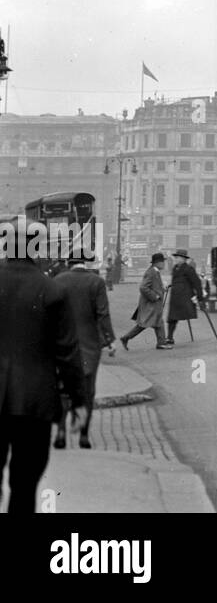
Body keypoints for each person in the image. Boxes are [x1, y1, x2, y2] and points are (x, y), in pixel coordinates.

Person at [0, 218, 88, 513]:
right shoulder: (51, 290)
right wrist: (79, 400)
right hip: (35, 403)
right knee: (24, 486)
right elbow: (68, 352)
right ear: (36, 249)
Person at [49, 259, 115, 450]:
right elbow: (103, 314)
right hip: (89, 346)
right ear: (87, 262)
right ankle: (83, 436)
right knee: (87, 391)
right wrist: (110, 340)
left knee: (62, 391)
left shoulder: (58, 280)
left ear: (69, 262)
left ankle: (61, 432)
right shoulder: (96, 282)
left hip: (62, 345)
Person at [121, 252, 172, 349]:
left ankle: (161, 343)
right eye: (162, 262)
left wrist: (162, 289)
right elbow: (143, 287)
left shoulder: (155, 271)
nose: (164, 264)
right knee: (144, 324)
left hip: (153, 305)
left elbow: (154, 286)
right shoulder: (151, 272)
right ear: (157, 263)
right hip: (150, 305)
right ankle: (126, 338)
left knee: (158, 322)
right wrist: (155, 296)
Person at [165, 249, 204, 345]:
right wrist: (171, 285)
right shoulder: (175, 268)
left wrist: (200, 297)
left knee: (175, 316)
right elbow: (176, 280)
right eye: (176, 257)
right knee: (171, 318)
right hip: (175, 297)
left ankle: (169, 337)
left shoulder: (188, 269)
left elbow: (197, 283)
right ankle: (169, 337)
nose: (176, 259)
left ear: (183, 259)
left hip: (185, 298)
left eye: (178, 258)